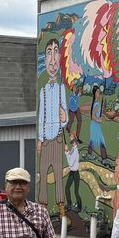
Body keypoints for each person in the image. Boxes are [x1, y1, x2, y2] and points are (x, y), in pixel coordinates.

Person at [37, 36, 67, 211]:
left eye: (56, 51)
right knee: (42, 172)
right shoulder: (43, 90)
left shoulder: (62, 87)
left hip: (57, 137)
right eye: (49, 52)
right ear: (45, 59)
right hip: (46, 139)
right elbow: (41, 115)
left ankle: (61, 207)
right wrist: (40, 139)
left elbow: (65, 115)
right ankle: (43, 207)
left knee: (57, 172)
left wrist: (65, 120)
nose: (53, 58)